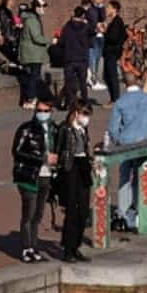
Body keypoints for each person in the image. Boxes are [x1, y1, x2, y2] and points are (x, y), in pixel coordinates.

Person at [107, 71, 147, 231]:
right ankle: (139, 208)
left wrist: (118, 140)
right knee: (142, 176)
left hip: (126, 143)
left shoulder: (121, 102)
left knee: (125, 177)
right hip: (144, 142)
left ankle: (122, 210)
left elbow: (113, 128)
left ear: (124, 83)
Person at [12, 95, 58, 263]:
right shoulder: (26, 129)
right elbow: (17, 152)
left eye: (46, 111)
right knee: (28, 213)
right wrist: (42, 159)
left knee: (38, 214)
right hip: (28, 175)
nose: (42, 113)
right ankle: (26, 247)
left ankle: (34, 245)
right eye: (39, 110)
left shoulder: (54, 129)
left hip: (47, 176)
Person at [55, 101, 94, 263]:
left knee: (84, 210)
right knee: (71, 211)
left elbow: (85, 148)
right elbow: (58, 150)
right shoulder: (65, 129)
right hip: (70, 169)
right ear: (76, 113)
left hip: (83, 166)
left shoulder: (83, 129)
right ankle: (68, 249)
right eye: (84, 114)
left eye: (88, 115)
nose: (86, 119)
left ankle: (75, 245)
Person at [18, 0, 50, 108]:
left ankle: (29, 98)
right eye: (41, 7)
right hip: (32, 53)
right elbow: (36, 37)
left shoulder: (32, 18)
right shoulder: (32, 20)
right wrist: (49, 40)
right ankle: (30, 99)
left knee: (33, 76)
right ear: (36, 8)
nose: (43, 9)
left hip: (32, 53)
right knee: (34, 76)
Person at [59, 6, 92, 107]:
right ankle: (85, 102)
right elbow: (91, 39)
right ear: (83, 15)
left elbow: (62, 42)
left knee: (68, 82)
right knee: (82, 82)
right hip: (82, 58)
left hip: (69, 58)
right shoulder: (86, 27)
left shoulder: (67, 27)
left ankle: (69, 102)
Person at [99, 0, 127, 104]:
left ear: (114, 10)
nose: (106, 10)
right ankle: (113, 98)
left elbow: (114, 38)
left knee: (111, 75)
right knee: (107, 75)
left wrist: (104, 32)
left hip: (112, 52)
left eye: (108, 8)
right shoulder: (115, 21)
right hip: (111, 52)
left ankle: (115, 99)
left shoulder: (117, 21)